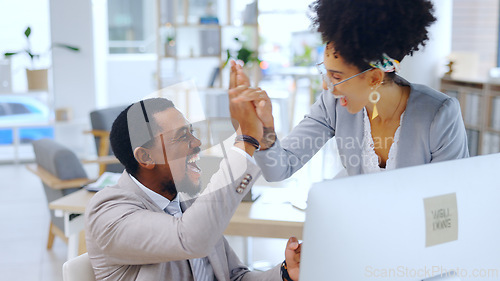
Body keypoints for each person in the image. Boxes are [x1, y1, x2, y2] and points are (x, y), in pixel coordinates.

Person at [230, 0, 468, 180]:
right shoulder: (332, 105)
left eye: (336, 76)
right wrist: (266, 130)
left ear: (375, 77)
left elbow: (449, 201)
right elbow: (280, 169)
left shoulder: (440, 115)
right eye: (326, 72)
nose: (326, 85)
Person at [84, 97, 301, 281]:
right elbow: (190, 237)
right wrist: (245, 143)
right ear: (146, 157)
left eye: (192, 132)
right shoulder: (108, 213)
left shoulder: (186, 201)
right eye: (182, 136)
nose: (197, 142)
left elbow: (234, 277)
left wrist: (285, 273)